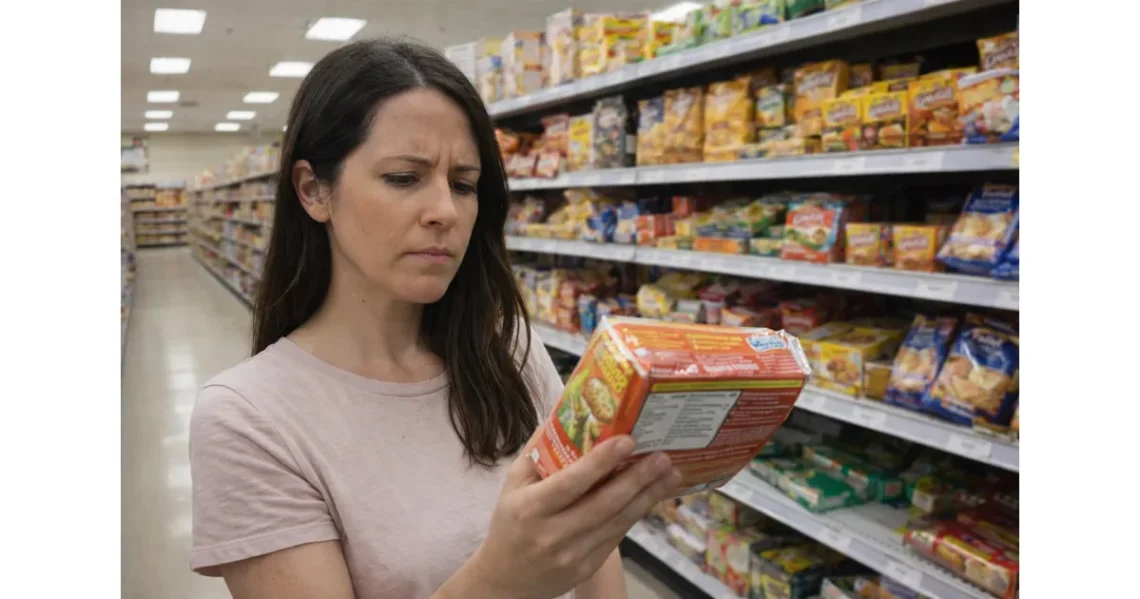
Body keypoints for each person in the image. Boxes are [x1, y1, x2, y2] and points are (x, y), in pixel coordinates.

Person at [188, 38, 681, 599]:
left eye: (464, 184)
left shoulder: (509, 349)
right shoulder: (248, 420)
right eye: (404, 178)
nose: (445, 211)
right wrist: (502, 579)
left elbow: (593, 556)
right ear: (313, 190)